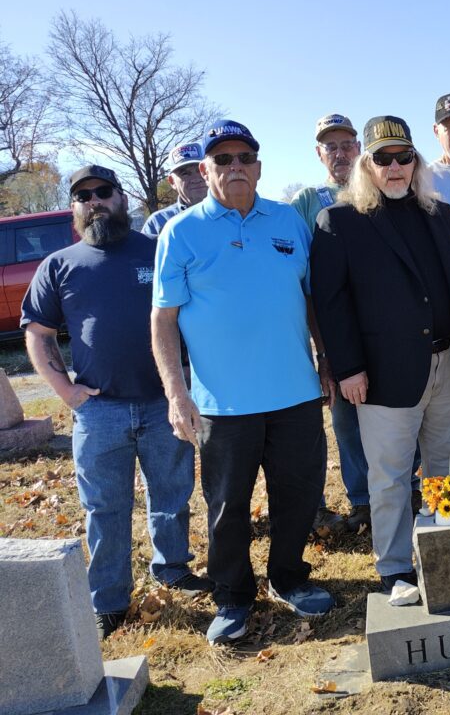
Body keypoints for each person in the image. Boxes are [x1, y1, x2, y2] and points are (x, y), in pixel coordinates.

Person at [151, 119, 334, 645]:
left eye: (245, 158)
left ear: (258, 167)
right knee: (227, 507)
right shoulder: (180, 232)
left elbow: (310, 295)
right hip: (222, 404)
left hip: (295, 393)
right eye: (223, 159)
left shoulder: (287, 220)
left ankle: (289, 577)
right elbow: (163, 319)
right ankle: (232, 596)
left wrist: (325, 358)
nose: (235, 167)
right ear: (205, 169)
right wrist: (176, 393)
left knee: (298, 495)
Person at [22, 164, 210, 639]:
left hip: (163, 404)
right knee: (104, 508)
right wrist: (67, 392)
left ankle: (172, 569)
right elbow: (39, 334)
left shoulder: (158, 250)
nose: (95, 201)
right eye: (83, 196)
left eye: (103, 191)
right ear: (74, 208)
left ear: (121, 198)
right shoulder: (58, 265)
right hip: (99, 412)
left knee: (172, 496)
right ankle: (108, 600)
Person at [310, 115, 450, 591]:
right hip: (383, 373)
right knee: (389, 477)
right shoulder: (339, 222)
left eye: (403, 157)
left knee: (449, 466)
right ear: (366, 165)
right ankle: (395, 568)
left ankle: (449, 554)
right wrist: (348, 368)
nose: (394, 167)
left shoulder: (439, 214)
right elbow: (330, 304)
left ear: (415, 161)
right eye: (382, 159)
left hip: (447, 361)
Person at [290, 113, 370, 533]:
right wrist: (323, 348)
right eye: (331, 147)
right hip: (335, 327)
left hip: (382, 323)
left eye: (346, 144)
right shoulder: (307, 201)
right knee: (347, 416)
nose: (340, 153)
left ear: (358, 148)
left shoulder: (375, 185)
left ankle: (406, 488)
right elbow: (303, 278)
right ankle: (363, 499)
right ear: (319, 153)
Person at [142, 143, 207, 237]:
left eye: (200, 171)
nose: (196, 179)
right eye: (185, 174)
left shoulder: (229, 212)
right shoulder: (158, 223)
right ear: (172, 182)